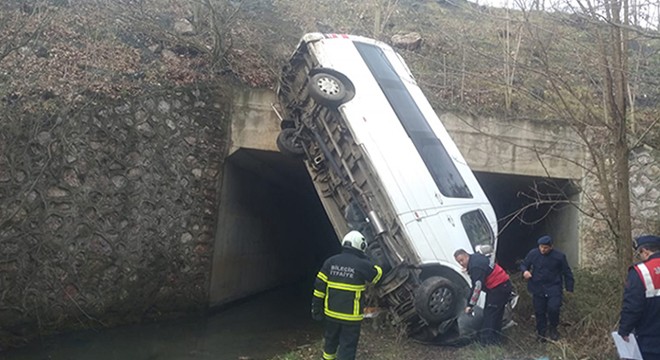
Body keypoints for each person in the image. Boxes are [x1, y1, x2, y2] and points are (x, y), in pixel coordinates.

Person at [311, 230, 383, 360]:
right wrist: (367, 259)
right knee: (347, 347)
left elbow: (319, 288)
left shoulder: (330, 262)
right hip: (351, 317)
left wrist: (316, 308)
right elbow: (377, 276)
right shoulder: (362, 264)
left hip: (331, 314)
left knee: (330, 342)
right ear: (360, 247)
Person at [520, 235, 574, 341]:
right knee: (539, 311)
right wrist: (525, 271)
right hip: (538, 287)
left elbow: (567, 272)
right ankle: (541, 333)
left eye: (545, 248)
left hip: (554, 287)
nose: (543, 250)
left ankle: (553, 328)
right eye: (541, 247)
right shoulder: (533, 254)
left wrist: (569, 288)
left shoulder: (559, 257)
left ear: (551, 247)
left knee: (553, 308)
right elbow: (524, 264)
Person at [454, 249, 512, 345]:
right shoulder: (476, 258)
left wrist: (470, 305)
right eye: (459, 262)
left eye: (462, 260)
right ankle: (496, 339)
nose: (461, 263)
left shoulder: (475, 267)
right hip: (503, 285)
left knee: (490, 314)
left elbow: (477, 288)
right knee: (496, 313)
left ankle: (487, 342)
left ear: (466, 255)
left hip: (498, 288)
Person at [618, 235, 660, 360]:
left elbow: (633, 306)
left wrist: (624, 330)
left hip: (650, 339)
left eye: (640, 253)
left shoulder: (641, 271)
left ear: (645, 251)